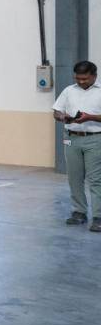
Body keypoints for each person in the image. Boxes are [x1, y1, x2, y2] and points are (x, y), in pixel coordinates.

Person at [53, 60, 101, 231]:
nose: (81, 82)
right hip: (71, 138)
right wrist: (61, 117)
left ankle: (98, 216)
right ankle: (79, 212)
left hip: (95, 139)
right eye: (78, 78)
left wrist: (90, 117)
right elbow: (56, 111)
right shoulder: (69, 91)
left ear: (94, 76)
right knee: (74, 178)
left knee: (96, 180)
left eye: (85, 79)